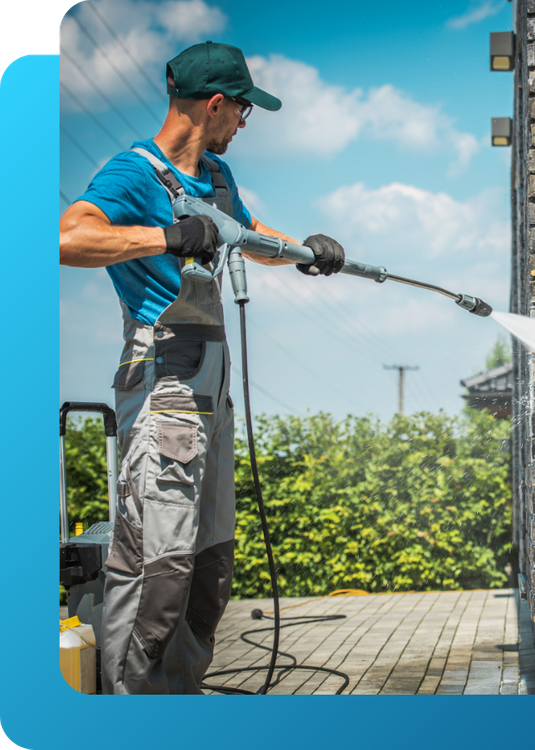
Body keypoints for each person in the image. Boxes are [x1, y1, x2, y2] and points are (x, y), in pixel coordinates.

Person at [59, 40, 344, 694]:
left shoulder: (217, 177)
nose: (246, 122)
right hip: (163, 391)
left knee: (207, 568)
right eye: (243, 110)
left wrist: (304, 251)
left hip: (211, 397)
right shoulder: (135, 174)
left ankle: (180, 703)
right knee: (157, 571)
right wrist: (166, 236)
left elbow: (245, 232)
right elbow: (69, 236)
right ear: (215, 104)